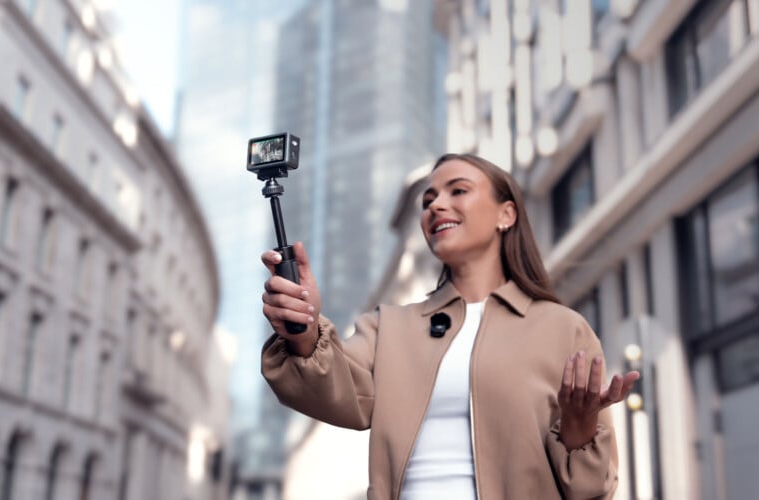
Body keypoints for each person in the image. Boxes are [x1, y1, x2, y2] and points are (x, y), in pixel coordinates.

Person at [259, 153, 640, 500]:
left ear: (506, 215)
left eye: (458, 191)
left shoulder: (562, 330)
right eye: (428, 201)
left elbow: (593, 490)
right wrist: (303, 328)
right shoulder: (388, 329)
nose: (436, 205)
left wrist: (579, 429)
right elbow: (328, 390)